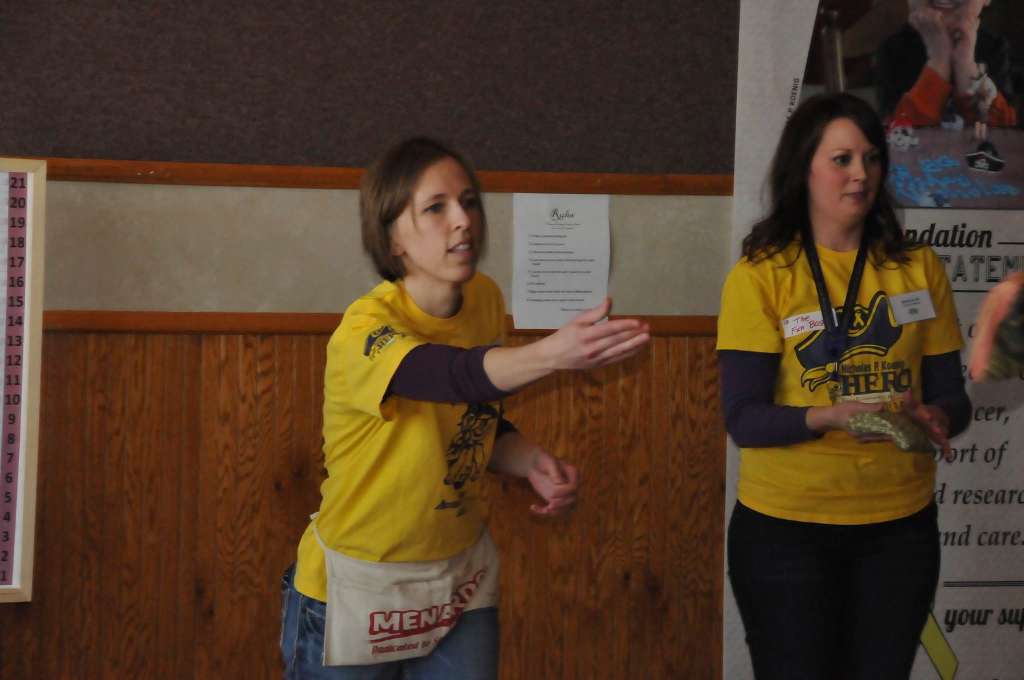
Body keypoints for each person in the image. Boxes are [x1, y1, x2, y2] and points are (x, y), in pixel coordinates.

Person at [279, 137, 650, 679]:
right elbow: (451, 377)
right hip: (356, 587)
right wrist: (553, 353)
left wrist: (530, 461)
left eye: (469, 202)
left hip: (458, 582)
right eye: (436, 208)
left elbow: (473, 420)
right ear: (392, 237)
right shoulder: (364, 328)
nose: (462, 220)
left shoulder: (484, 299)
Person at [718, 92, 971, 679]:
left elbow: (952, 398)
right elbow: (744, 418)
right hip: (786, 534)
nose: (862, 174)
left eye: (872, 158)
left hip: (899, 532)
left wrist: (935, 417)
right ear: (802, 168)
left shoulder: (917, 267)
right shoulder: (762, 273)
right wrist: (828, 417)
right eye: (842, 159)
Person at [876, 0, 1018, 128]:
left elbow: (1004, 135)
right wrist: (938, 59)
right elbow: (897, 136)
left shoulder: (995, 47)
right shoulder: (893, 49)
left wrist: (965, 64)